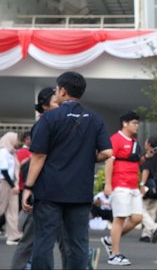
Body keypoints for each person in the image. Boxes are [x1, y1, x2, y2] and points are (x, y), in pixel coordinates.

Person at [22, 71, 112, 269]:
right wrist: (89, 157)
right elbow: (107, 152)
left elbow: (38, 156)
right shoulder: (94, 119)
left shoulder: (49, 118)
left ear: (62, 91)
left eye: (57, 89)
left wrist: (28, 187)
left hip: (49, 191)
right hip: (80, 192)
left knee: (44, 241)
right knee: (78, 243)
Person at [10, 87, 63, 270]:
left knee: (52, 240)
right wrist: (29, 188)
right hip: (42, 190)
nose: (61, 105)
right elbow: (38, 158)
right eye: (57, 102)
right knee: (31, 239)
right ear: (44, 106)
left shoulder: (54, 124)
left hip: (54, 190)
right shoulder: (42, 126)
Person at [101, 111, 143, 266]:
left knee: (137, 218)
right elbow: (109, 162)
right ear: (125, 123)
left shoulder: (134, 141)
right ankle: (115, 254)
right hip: (120, 185)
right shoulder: (116, 139)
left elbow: (135, 162)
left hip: (133, 186)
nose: (137, 126)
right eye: (134, 123)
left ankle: (109, 240)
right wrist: (108, 184)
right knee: (120, 218)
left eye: (137, 123)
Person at [139, 136, 157, 243]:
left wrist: (142, 185)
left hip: (148, 188)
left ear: (149, 144)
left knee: (141, 209)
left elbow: (145, 171)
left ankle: (153, 227)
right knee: (151, 211)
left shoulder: (148, 157)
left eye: (146, 142)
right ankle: (146, 234)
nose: (145, 144)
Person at [0, 131, 22, 246]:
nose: (18, 142)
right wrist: (13, 185)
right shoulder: (3, 152)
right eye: (16, 139)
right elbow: (3, 171)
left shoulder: (11, 153)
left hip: (11, 183)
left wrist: (14, 184)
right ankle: (13, 236)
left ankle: (13, 236)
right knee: (1, 207)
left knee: (13, 210)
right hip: (4, 183)